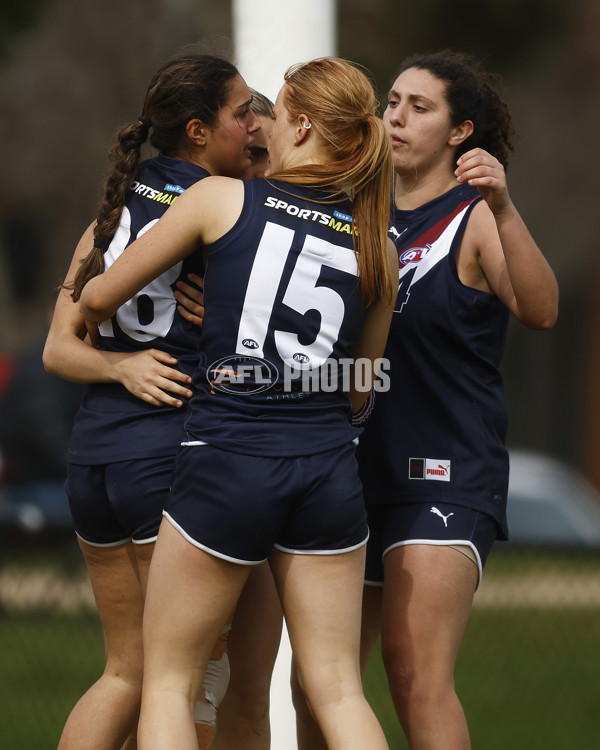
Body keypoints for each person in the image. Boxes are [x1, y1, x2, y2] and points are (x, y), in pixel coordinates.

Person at [79, 55, 398, 750]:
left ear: (306, 126)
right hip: (326, 474)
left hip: (227, 462)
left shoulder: (222, 201)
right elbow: (361, 387)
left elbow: (96, 299)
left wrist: (200, 282)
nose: (264, 127)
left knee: (168, 681)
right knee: (339, 688)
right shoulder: (379, 243)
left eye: (277, 115)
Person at [43, 51, 260, 750]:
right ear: (198, 131)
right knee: (188, 680)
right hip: (162, 456)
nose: (253, 125)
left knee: (126, 673)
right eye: (242, 113)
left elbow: (58, 347)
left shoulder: (117, 208)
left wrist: (115, 365)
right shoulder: (219, 212)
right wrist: (133, 368)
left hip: (96, 461)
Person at [356, 49, 558, 750]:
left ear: (459, 132)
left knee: (413, 674)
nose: (398, 117)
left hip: (443, 470)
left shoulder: (474, 217)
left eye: (420, 106)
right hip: (348, 473)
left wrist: (503, 207)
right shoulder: (358, 212)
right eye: (392, 102)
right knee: (323, 682)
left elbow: (540, 309)